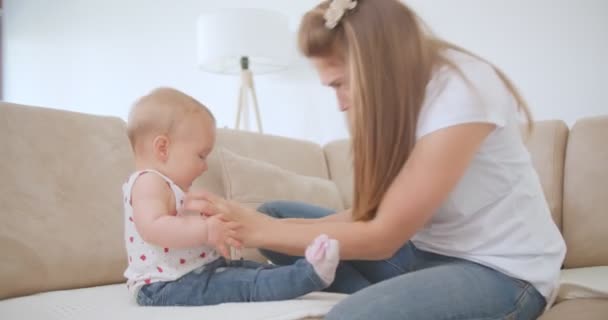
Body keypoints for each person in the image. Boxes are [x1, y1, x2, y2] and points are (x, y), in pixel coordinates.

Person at [185, 0, 567, 319]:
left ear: (373, 66)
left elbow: (383, 236)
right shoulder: (396, 105)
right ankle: (404, 295)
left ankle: (389, 299)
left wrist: (254, 231)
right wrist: (261, 222)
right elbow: (370, 215)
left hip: (502, 273)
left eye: (339, 83)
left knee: (348, 315)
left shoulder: (461, 89)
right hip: (421, 255)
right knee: (277, 215)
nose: (339, 103)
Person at [122, 87, 340, 306]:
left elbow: (178, 232)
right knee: (247, 284)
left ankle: (305, 271)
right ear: (162, 148)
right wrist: (205, 230)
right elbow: (152, 228)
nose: (205, 167)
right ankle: (310, 274)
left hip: (193, 272)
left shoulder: (169, 187)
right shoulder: (147, 181)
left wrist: (211, 226)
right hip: (165, 284)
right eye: (201, 155)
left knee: (253, 271)